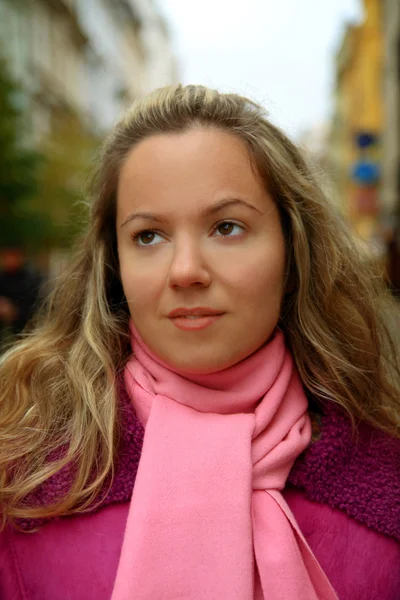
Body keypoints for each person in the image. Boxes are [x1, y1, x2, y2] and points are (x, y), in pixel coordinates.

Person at [0, 84, 399, 600]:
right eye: (149, 236)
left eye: (227, 227)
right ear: (114, 265)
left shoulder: (382, 482)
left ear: (293, 249)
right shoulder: (27, 479)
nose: (186, 271)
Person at [0, 246, 44, 344]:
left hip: (24, 327)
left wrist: (14, 311)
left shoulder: (30, 279)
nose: (10, 260)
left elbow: (34, 303)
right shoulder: (2, 278)